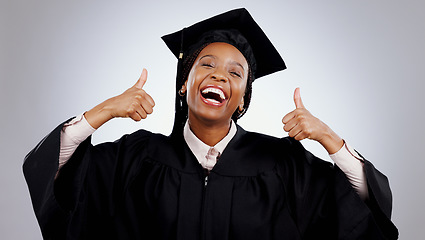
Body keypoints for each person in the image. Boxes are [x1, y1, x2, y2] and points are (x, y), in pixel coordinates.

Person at [23, 8, 398, 240]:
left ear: (243, 98)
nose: (219, 76)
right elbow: (57, 189)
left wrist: (331, 141)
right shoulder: (137, 157)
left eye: (236, 73)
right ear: (184, 83)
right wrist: (99, 114)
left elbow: (363, 216)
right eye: (206, 64)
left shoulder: (283, 164)